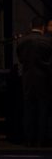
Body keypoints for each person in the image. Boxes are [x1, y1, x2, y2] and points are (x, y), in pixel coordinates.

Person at [16, 16, 52, 146]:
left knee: (29, 110)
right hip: (44, 78)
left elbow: (21, 59)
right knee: (43, 110)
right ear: (43, 27)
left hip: (27, 78)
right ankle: (42, 139)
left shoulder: (21, 41)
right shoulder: (48, 41)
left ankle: (29, 139)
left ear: (31, 25)